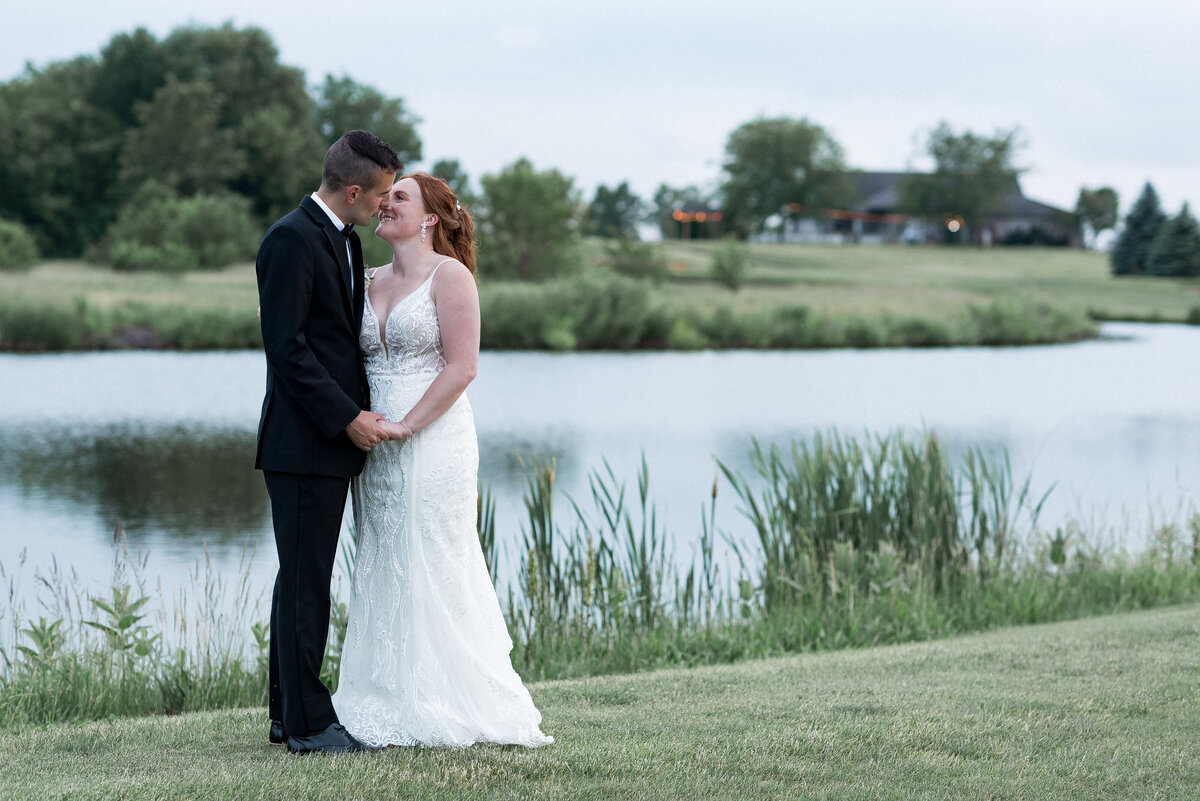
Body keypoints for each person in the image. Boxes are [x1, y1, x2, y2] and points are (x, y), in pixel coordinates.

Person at [331, 173, 553, 748]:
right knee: (383, 553)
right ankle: (383, 695)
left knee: (432, 552)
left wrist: (408, 424)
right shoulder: (365, 277)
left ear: (430, 217)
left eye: (399, 197)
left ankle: (446, 696)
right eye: (385, 196)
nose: (384, 203)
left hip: (432, 439)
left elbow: (462, 367)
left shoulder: (449, 277)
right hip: (372, 443)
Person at [255, 130, 402, 754]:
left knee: (300, 579)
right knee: (307, 581)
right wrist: (347, 417)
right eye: (381, 196)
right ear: (352, 191)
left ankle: (288, 713)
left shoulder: (338, 242)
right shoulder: (291, 239)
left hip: (323, 444)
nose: (384, 208)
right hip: (302, 442)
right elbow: (286, 348)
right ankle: (312, 725)